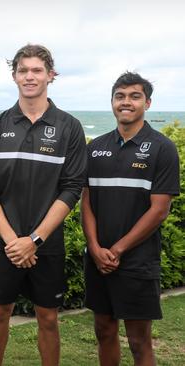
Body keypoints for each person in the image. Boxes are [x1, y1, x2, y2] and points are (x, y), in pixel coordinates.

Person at [0, 44, 87, 366]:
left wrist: (34, 240)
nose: (30, 76)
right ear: (14, 76)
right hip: (3, 243)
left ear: (51, 75)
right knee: (0, 312)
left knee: (49, 317)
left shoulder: (69, 127)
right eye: (23, 70)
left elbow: (71, 189)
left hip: (47, 244)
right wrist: (14, 241)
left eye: (37, 70)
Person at [82, 72, 179, 366]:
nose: (126, 102)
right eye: (120, 96)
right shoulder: (94, 147)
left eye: (134, 96)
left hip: (137, 261)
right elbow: (87, 201)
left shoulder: (162, 148)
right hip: (98, 258)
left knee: (138, 341)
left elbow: (159, 209)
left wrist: (118, 250)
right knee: (104, 330)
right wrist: (96, 248)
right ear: (112, 102)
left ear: (147, 103)